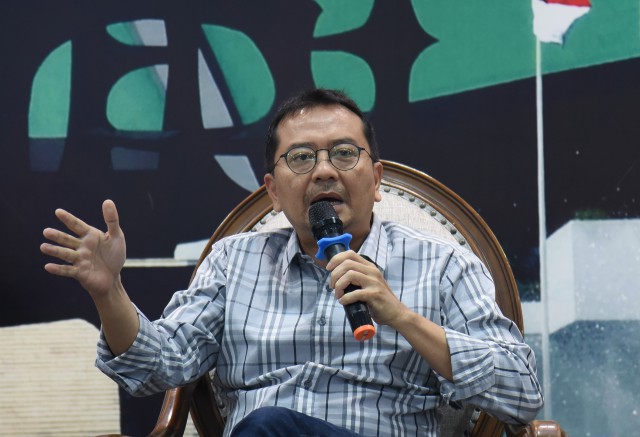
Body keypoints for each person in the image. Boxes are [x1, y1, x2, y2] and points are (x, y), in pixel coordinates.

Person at [41, 88, 543, 436]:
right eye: (302, 158)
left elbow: (521, 393)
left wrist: (403, 317)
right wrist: (109, 292)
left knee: (267, 426)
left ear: (377, 180)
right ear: (273, 192)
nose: (324, 171)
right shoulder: (233, 262)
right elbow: (155, 367)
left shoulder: (443, 264)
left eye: (344, 153)